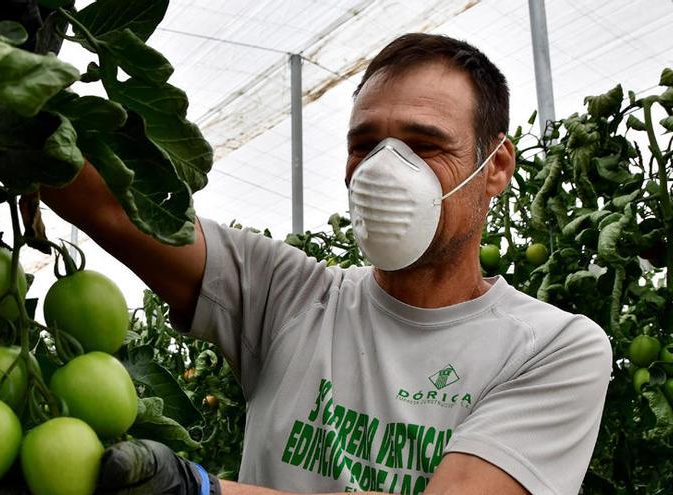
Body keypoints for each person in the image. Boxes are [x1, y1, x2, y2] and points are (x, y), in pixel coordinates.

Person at [42, 33, 612, 495]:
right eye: (365, 145)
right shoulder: (286, 294)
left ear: (496, 165)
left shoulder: (553, 348)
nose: (387, 169)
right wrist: (9, 76)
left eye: (426, 144)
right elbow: (111, 205)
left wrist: (203, 493)